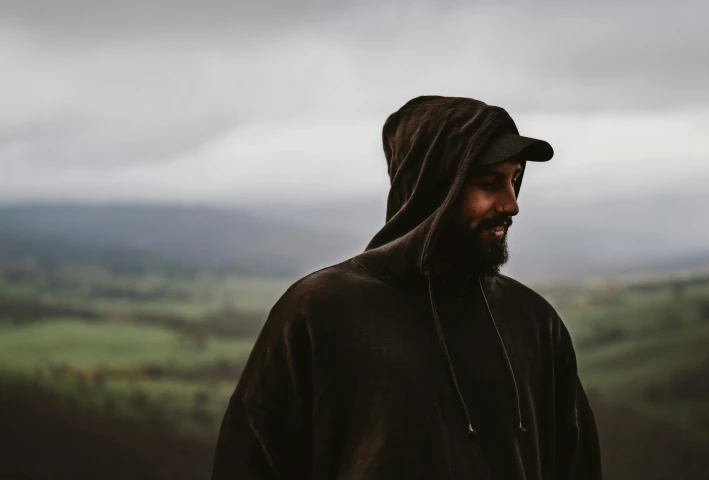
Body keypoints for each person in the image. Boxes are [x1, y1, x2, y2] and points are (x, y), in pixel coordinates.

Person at [211, 95, 602, 479]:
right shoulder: (319, 311)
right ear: (434, 187)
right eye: (490, 183)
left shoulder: (533, 321)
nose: (511, 204)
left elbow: (575, 465)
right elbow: (251, 461)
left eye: (515, 180)